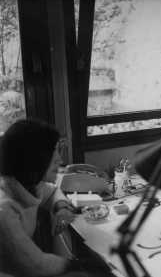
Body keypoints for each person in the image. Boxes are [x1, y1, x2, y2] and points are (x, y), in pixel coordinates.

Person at [0, 119, 114, 277]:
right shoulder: (4, 210)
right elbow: (36, 266)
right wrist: (87, 266)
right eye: (53, 151)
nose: (60, 160)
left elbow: (52, 192)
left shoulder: (27, 184)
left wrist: (61, 207)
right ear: (33, 159)